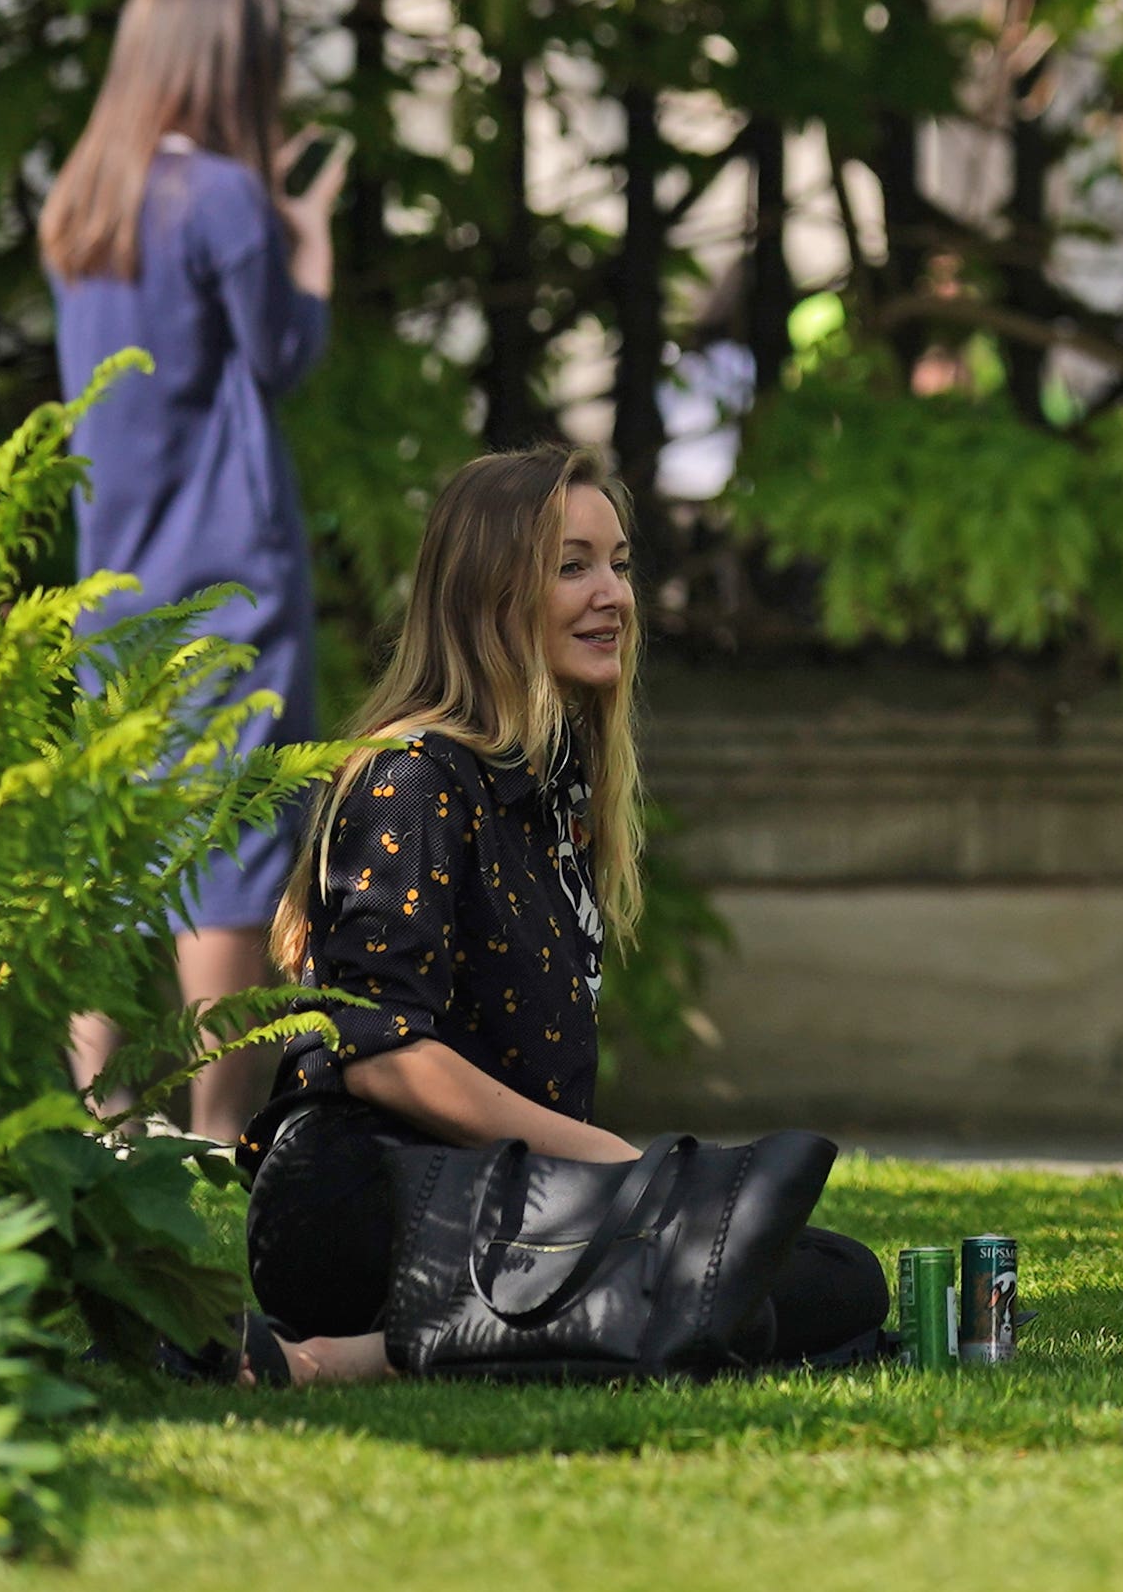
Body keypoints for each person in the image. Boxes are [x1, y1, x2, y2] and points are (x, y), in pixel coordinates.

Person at [236, 447, 888, 1384]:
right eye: (572, 565)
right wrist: (623, 1170)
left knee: (835, 1274)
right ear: (486, 595)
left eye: (619, 562)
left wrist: (613, 1185)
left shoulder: (548, 789)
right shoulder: (413, 775)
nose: (613, 594)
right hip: (362, 1202)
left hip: (504, 1199)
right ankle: (341, 1360)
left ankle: (483, 1339)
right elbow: (381, 1057)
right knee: (754, 1272)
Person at [46, 0, 354, 1142]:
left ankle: (101, 1125)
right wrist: (305, 236)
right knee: (229, 846)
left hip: (119, 580)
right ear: (233, 65)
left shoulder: (86, 194)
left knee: (118, 850)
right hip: (227, 574)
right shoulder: (226, 198)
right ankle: (218, 1139)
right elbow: (278, 353)